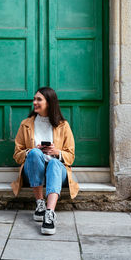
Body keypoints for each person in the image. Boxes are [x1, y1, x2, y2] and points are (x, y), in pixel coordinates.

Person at [11, 87, 79, 235]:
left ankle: (49, 213)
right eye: (34, 99)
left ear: (49, 102)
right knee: (35, 152)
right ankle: (40, 204)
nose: (34, 102)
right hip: (33, 169)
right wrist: (31, 151)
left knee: (54, 162)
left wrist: (57, 153)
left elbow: (71, 156)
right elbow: (17, 154)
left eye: (39, 99)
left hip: (56, 171)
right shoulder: (26, 124)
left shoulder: (63, 125)